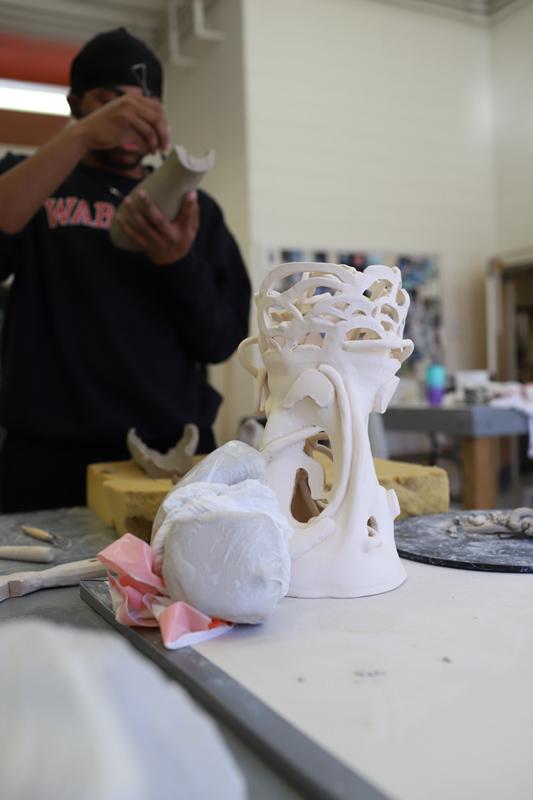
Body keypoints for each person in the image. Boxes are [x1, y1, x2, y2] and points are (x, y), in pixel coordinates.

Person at [0, 28, 251, 512]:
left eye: (144, 104)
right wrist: (79, 138)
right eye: (111, 101)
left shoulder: (194, 209)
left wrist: (177, 263)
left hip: (170, 453)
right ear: (76, 103)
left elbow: (222, 340)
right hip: (48, 458)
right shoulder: (34, 182)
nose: (129, 117)